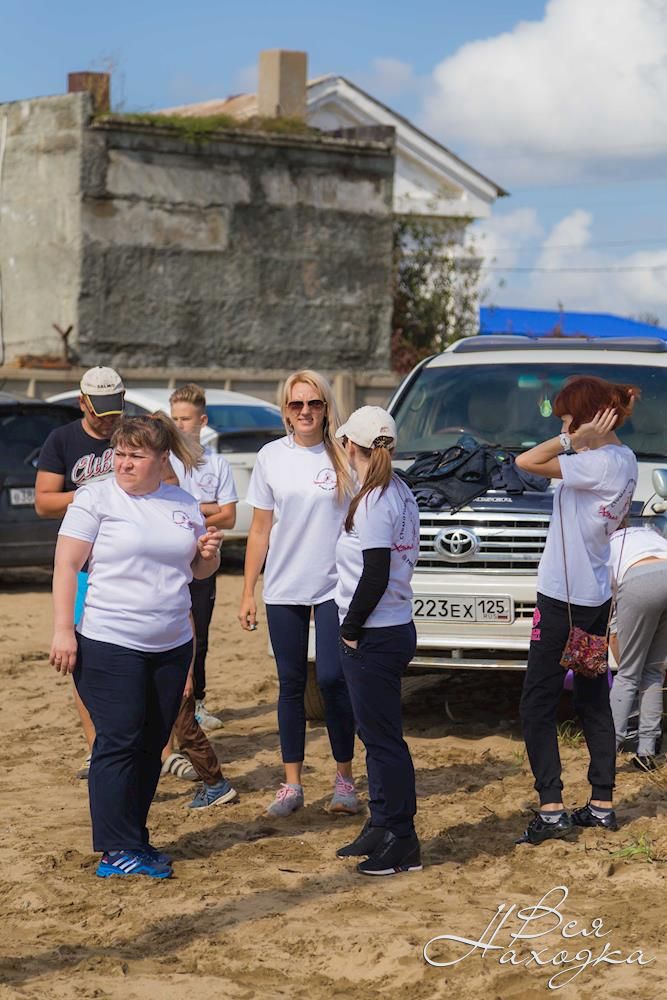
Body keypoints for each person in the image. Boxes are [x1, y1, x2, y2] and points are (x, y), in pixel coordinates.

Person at [49, 414, 223, 879]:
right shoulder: (95, 498)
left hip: (171, 644)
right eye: (119, 454)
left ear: (161, 459)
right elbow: (66, 566)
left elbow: (196, 572)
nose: (124, 463)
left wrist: (209, 556)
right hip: (110, 640)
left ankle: (134, 838)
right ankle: (114, 849)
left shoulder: (183, 503)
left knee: (151, 744)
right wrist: (63, 630)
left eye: (135, 456)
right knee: (119, 739)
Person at [515, 376, 639, 846]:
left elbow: (525, 462)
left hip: (562, 600)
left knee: (537, 702)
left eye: (565, 418)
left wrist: (572, 441)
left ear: (587, 419)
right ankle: (601, 804)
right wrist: (580, 440)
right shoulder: (625, 459)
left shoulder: (594, 463)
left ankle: (551, 809)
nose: (561, 426)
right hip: (595, 596)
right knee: (591, 699)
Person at [238, 370, 358, 818]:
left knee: (331, 679)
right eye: (296, 404)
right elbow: (259, 529)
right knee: (290, 684)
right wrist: (248, 591)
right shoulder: (271, 456)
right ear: (286, 411)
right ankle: (292, 784)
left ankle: (345, 779)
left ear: (326, 408)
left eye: (314, 403)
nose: (305, 411)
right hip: (284, 585)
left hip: (334, 587)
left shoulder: (345, 454)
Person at [333, 406, 422, 877]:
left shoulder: (374, 499)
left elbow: (375, 573)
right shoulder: (400, 490)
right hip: (394, 624)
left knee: (384, 741)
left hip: (375, 632)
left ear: (352, 446)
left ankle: (402, 839)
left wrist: (350, 628)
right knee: (375, 736)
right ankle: (382, 823)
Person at [36, 366, 125, 778]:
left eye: (115, 410)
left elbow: (168, 481)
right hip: (85, 567)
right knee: (85, 662)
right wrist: (93, 495)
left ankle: (159, 751)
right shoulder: (63, 439)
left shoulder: (133, 435)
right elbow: (44, 502)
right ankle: (96, 749)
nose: (108, 420)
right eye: (99, 411)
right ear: (82, 403)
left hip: (129, 564)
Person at [169, 383, 238, 732]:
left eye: (186, 419)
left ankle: (197, 702)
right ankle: (171, 702)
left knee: (201, 634)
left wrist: (192, 510)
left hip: (204, 559)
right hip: (170, 559)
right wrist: (206, 508)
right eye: (175, 418)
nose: (179, 425)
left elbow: (230, 517)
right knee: (169, 629)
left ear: (202, 421)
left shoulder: (217, 464)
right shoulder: (164, 461)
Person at [608, 523, 667, 771]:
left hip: (639, 580)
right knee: (653, 672)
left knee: (628, 675)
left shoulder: (606, 544)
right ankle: (647, 753)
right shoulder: (649, 532)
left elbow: (610, 609)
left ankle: (607, 751)